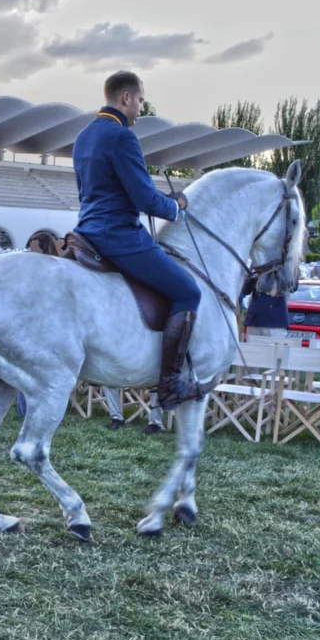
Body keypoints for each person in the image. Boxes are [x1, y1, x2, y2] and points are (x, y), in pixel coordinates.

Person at [72, 70, 207, 411]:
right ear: (126, 98)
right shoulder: (122, 137)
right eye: (141, 99)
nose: (141, 107)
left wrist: (156, 197)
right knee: (188, 290)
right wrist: (174, 205)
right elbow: (145, 201)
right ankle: (170, 384)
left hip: (87, 231)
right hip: (118, 237)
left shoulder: (84, 137)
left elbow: (104, 191)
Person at [242, 274, 290, 338]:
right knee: (251, 347)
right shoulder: (256, 265)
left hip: (275, 322)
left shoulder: (284, 266)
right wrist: (252, 277)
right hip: (255, 320)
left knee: (275, 347)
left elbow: (292, 286)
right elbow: (245, 291)